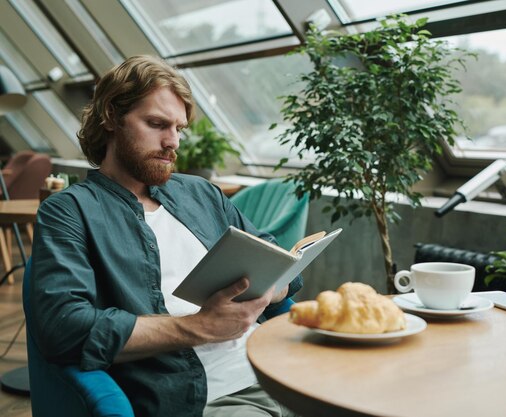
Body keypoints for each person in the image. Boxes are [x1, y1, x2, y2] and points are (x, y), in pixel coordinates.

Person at [29, 55, 302, 417]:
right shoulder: (70, 211)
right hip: (214, 397)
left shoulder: (200, 193)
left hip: (283, 369)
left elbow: (279, 258)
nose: (172, 142)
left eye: (179, 128)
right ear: (111, 116)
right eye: (157, 124)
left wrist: (270, 285)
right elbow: (63, 328)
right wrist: (198, 327)